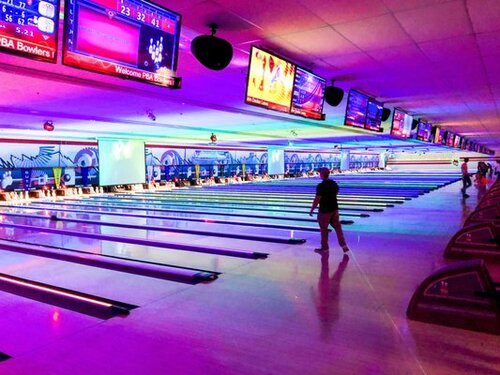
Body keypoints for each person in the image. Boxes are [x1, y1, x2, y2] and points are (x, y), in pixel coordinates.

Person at [309, 167, 350, 253]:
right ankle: (344, 245)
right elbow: (336, 193)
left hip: (324, 211)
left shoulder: (321, 186)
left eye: (319, 173)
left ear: (321, 175)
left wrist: (312, 209)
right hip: (334, 209)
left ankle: (325, 248)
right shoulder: (334, 184)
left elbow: (317, 199)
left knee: (324, 231)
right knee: (338, 229)